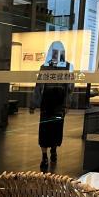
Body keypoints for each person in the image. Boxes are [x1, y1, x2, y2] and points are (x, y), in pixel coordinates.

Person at [32, 41, 74, 169]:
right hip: (47, 103)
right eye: (54, 51)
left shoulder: (68, 66)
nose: (56, 53)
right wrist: (34, 103)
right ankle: (44, 156)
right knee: (44, 130)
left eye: (58, 51)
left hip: (59, 103)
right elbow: (39, 86)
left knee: (56, 129)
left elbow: (70, 87)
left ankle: (54, 150)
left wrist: (66, 104)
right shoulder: (44, 67)